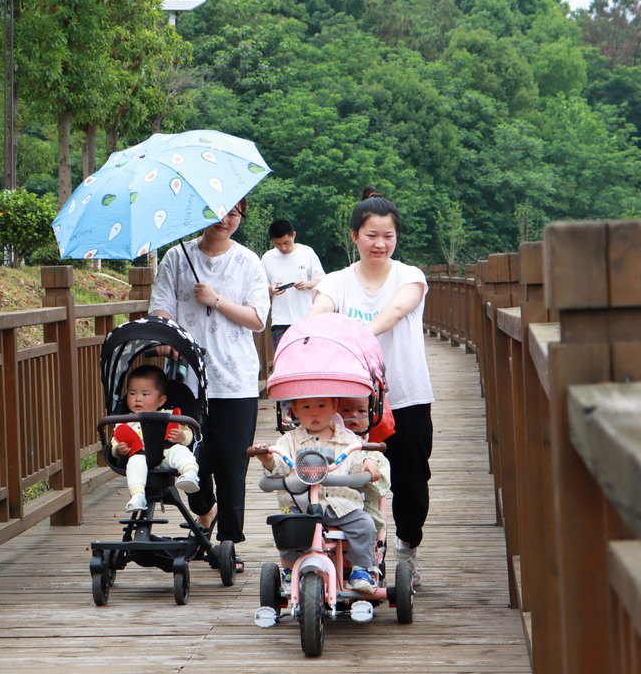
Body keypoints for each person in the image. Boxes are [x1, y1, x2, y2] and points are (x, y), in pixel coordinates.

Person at [309, 189, 434, 585]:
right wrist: (311, 332)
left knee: (412, 483)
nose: (380, 243)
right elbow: (318, 312)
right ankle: (357, 556)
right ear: (354, 236)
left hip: (406, 397)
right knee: (347, 477)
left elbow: (396, 311)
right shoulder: (337, 282)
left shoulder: (410, 275)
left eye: (388, 236)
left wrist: (356, 335)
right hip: (351, 404)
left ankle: (407, 548)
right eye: (371, 235)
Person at [149, 197, 269, 574]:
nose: (225, 219)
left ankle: (229, 542)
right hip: (186, 380)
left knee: (233, 463)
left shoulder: (248, 261)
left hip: (235, 381)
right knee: (189, 458)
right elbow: (160, 307)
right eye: (217, 211)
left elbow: (256, 319)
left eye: (234, 213)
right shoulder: (175, 257)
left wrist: (215, 299)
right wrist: (165, 331)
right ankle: (205, 510)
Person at [252, 396, 383, 594]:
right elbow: (279, 464)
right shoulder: (288, 441)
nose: (314, 412)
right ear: (294, 410)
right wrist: (268, 459)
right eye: (306, 407)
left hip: (341, 505)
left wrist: (368, 463)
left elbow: (360, 457)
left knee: (365, 524)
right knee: (286, 524)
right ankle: (289, 569)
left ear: (334, 407)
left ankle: (362, 570)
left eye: (321, 406)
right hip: (301, 504)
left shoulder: (349, 439)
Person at [111, 365, 201, 512]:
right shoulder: (125, 420)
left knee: (181, 451)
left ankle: (189, 473)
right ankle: (137, 495)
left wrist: (182, 437)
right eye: (132, 393)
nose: (137, 399)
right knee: (134, 463)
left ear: (161, 400)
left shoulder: (169, 415)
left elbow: (189, 433)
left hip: (167, 452)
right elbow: (116, 439)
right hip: (140, 455)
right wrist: (118, 449)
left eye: (145, 394)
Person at [261, 219, 326, 348]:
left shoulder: (307, 252)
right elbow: (260, 290)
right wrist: (271, 289)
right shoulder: (267, 258)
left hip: (306, 319)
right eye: (277, 244)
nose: (283, 247)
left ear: (294, 235)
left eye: (286, 242)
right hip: (280, 323)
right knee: (284, 364)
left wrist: (306, 284)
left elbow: (322, 281)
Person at [338, 397, 392, 534]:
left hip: (362, 510)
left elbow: (381, 487)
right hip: (327, 506)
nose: (354, 415)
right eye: (346, 410)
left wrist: (368, 469)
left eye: (361, 411)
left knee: (366, 526)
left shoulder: (374, 453)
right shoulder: (328, 447)